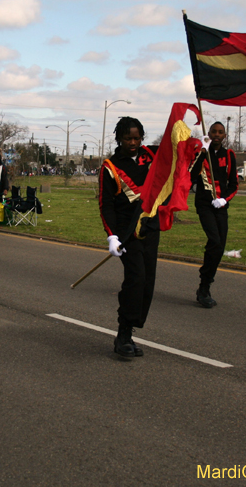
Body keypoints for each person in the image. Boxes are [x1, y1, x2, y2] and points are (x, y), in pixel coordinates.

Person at [99, 116, 158, 358]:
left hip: (150, 227)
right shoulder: (110, 167)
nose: (133, 142)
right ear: (119, 138)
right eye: (127, 138)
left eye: (137, 138)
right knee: (136, 278)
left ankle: (131, 330)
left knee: (147, 283)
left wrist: (200, 145)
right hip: (126, 232)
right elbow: (106, 205)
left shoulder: (151, 155)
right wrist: (112, 236)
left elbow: (178, 153)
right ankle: (123, 334)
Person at [189, 121, 238, 307]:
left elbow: (234, 184)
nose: (217, 134)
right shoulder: (202, 153)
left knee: (219, 246)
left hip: (221, 205)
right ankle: (203, 288)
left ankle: (205, 285)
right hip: (204, 204)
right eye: (213, 132)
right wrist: (203, 150)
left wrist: (225, 199)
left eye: (220, 132)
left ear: (224, 135)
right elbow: (192, 174)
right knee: (215, 241)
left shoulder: (229, 155)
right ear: (208, 133)